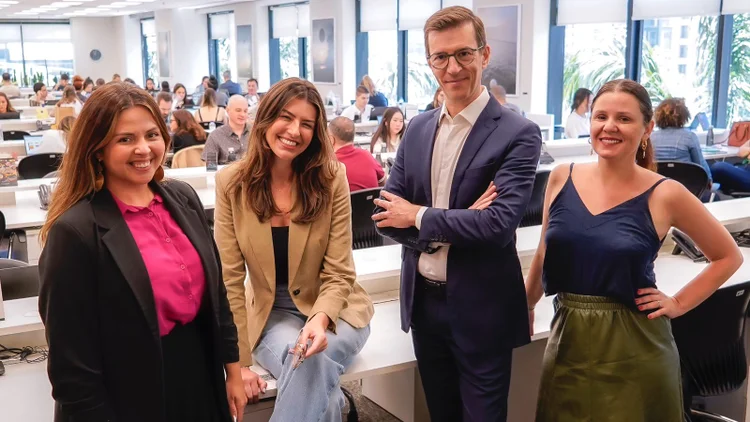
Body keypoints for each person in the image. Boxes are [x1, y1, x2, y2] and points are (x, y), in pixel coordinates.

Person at [525, 79, 743, 421]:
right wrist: (526, 303)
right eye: (600, 117)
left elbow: (728, 256)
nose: (609, 127)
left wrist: (678, 303)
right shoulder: (560, 177)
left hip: (636, 348)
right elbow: (543, 253)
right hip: (568, 343)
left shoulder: (665, 193)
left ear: (647, 128)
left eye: (624, 119)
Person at [37, 82, 247, 422]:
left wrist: (233, 371)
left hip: (199, 374)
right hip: (127, 393)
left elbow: (217, 297)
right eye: (125, 139)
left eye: (152, 135)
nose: (144, 149)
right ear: (97, 149)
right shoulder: (75, 231)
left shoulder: (183, 198)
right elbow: (71, 367)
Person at [371, 7, 542, 421]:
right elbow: (385, 213)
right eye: (440, 57)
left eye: (464, 54)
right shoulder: (417, 128)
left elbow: (498, 226)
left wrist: (417, 215)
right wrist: (444, 221)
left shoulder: (517, 132)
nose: (452, 67)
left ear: (484, 55)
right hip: (424, 304)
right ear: (429, 62)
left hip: (482, 305)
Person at [214, 77, 373, 421]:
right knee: (311, 367)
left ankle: (336, 403)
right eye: (286, 117)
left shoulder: (331, 177)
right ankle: (336, 406)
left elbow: (340, 272)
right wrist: (237, 364)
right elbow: (229, 282)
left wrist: (319, 317)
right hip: (274, 312)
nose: (294, 130)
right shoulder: (232, 183)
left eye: (307, 124)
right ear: (266, 119)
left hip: (338, 310)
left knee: (309, 358)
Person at [651, 98, 713, 198]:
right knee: (715, 196)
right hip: (688, 193)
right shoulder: (689, 137)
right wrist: (709, 180)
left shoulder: (650, 138)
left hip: (656, 191)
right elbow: (701, 166)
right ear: (684, 116)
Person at [330, 116, 385, 191]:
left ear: (331, 139)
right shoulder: (367, 156)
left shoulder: (329, 164)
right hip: (372, 202)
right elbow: (383, 183)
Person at [202, 95, 248, 164]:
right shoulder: (215, 136)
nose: (243, 114)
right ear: (227, 110)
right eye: (238, 110)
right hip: (227, 174)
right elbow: (211, 167)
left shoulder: (256, 132)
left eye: (245, 111)